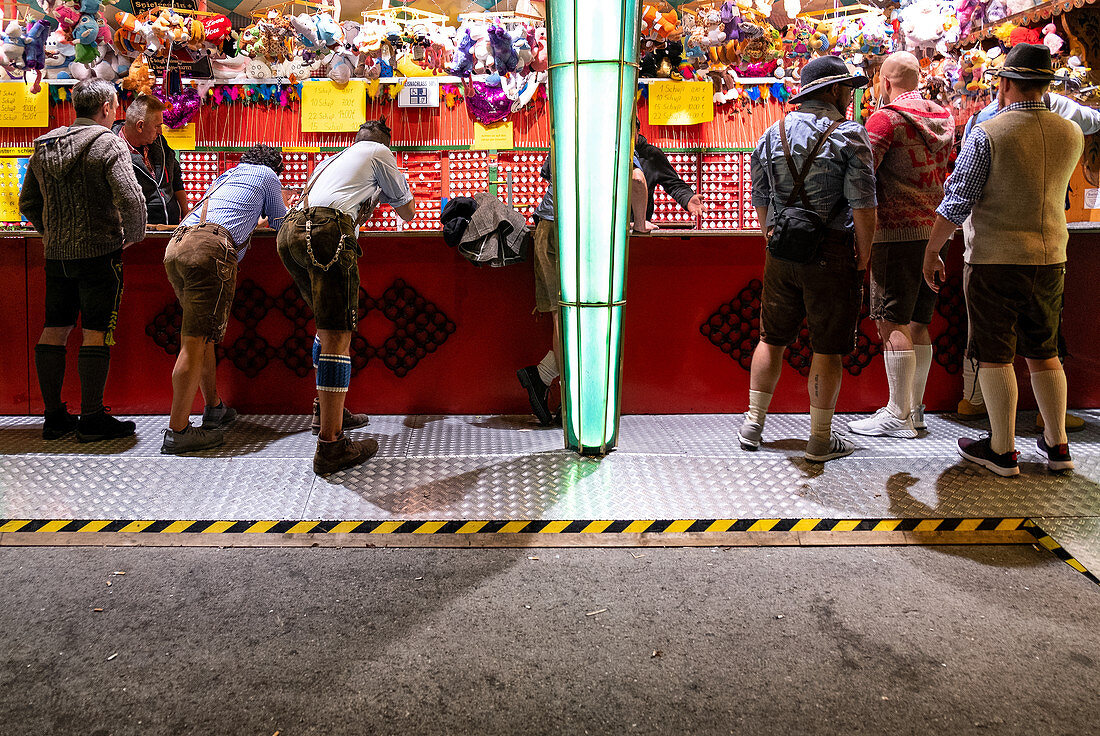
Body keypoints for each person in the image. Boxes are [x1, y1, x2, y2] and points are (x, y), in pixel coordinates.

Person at [923, 43, 1084, 476]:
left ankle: (1003, 448)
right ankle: (1058, 447)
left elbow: (956, 202)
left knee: (995, 353)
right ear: (1047, 84)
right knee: (1044, 351)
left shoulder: (989, 133)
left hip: (996, 259)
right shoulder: (1070, 132)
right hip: (1051, 257)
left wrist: (932, 250)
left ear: (1006, 83)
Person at [740, 55, 877, 462]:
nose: (851, 96)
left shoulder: (771, 132)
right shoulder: (850, 135)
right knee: (827, 347)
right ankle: (819, 440)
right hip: (831, 253)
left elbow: (760, 199)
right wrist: (863, 255)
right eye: (848, 89)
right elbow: (864, 205)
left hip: (781, 252)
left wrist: (773, 236)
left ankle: (752, 423)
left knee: (771, 337)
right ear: (834, 90)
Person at [955, 87, 1100, 430]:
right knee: (1044, 343)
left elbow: (961, 191)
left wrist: (936, 243)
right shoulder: (1061, 117)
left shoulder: (981, 123)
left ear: (1004, 86)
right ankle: (1053, 431)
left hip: (990, 247)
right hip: (1045, 246)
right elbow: (1095, 120)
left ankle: (986, 421)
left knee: (989, 339)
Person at [277, 118, 416, 475]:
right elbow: (408, 211)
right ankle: (331, 446)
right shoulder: (380, 152)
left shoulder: (333, 160)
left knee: (325, 329)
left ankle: (325, 412)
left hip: (290, 231)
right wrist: (388, 191)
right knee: (338, 335)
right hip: (325, 230)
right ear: (385, 141)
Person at [19, 78, 147, 442]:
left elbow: (28, 203)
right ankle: (91, 418)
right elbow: (131, 200)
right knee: (95, 331)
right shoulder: (109, 144)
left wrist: (55, 233)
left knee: (54, 328)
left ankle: (54, 417)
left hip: (56, 255)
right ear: (107, 108)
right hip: (99, 254)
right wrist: (131, 238)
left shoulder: (44, 144)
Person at [847, 51, 954, 439]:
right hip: (935, 232)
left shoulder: (884, 119)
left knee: (891, 320)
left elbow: (862, 175)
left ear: (885, 80)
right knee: (919, 322)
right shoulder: (945, 117)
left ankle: (897, 412)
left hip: (894, 233)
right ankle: (915, 410)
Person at [160, 144, 289, 454]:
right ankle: (178, 431)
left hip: (178, 246)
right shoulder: (268, 175)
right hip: (208, 251)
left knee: (202, 338)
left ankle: (214, 407)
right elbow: (282, 224)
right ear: (276, 166)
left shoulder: (226, 176)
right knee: (194, 342)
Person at [516, 155, 563, 425]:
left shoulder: (564, 132)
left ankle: (543, 377)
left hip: (548, 225)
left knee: (564, 315)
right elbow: (637, 180)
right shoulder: (613, 139)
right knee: (569, 316)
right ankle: (568, 404)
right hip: (567, 228)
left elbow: (547, 171)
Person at [112, 95, 189, 227]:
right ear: (140, 126)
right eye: (157, 126)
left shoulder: (159, 142)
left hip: (171, 229)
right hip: (140, 236)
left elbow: (175, 173)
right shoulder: (113, 152)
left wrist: (186, 212)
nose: (161, 132)